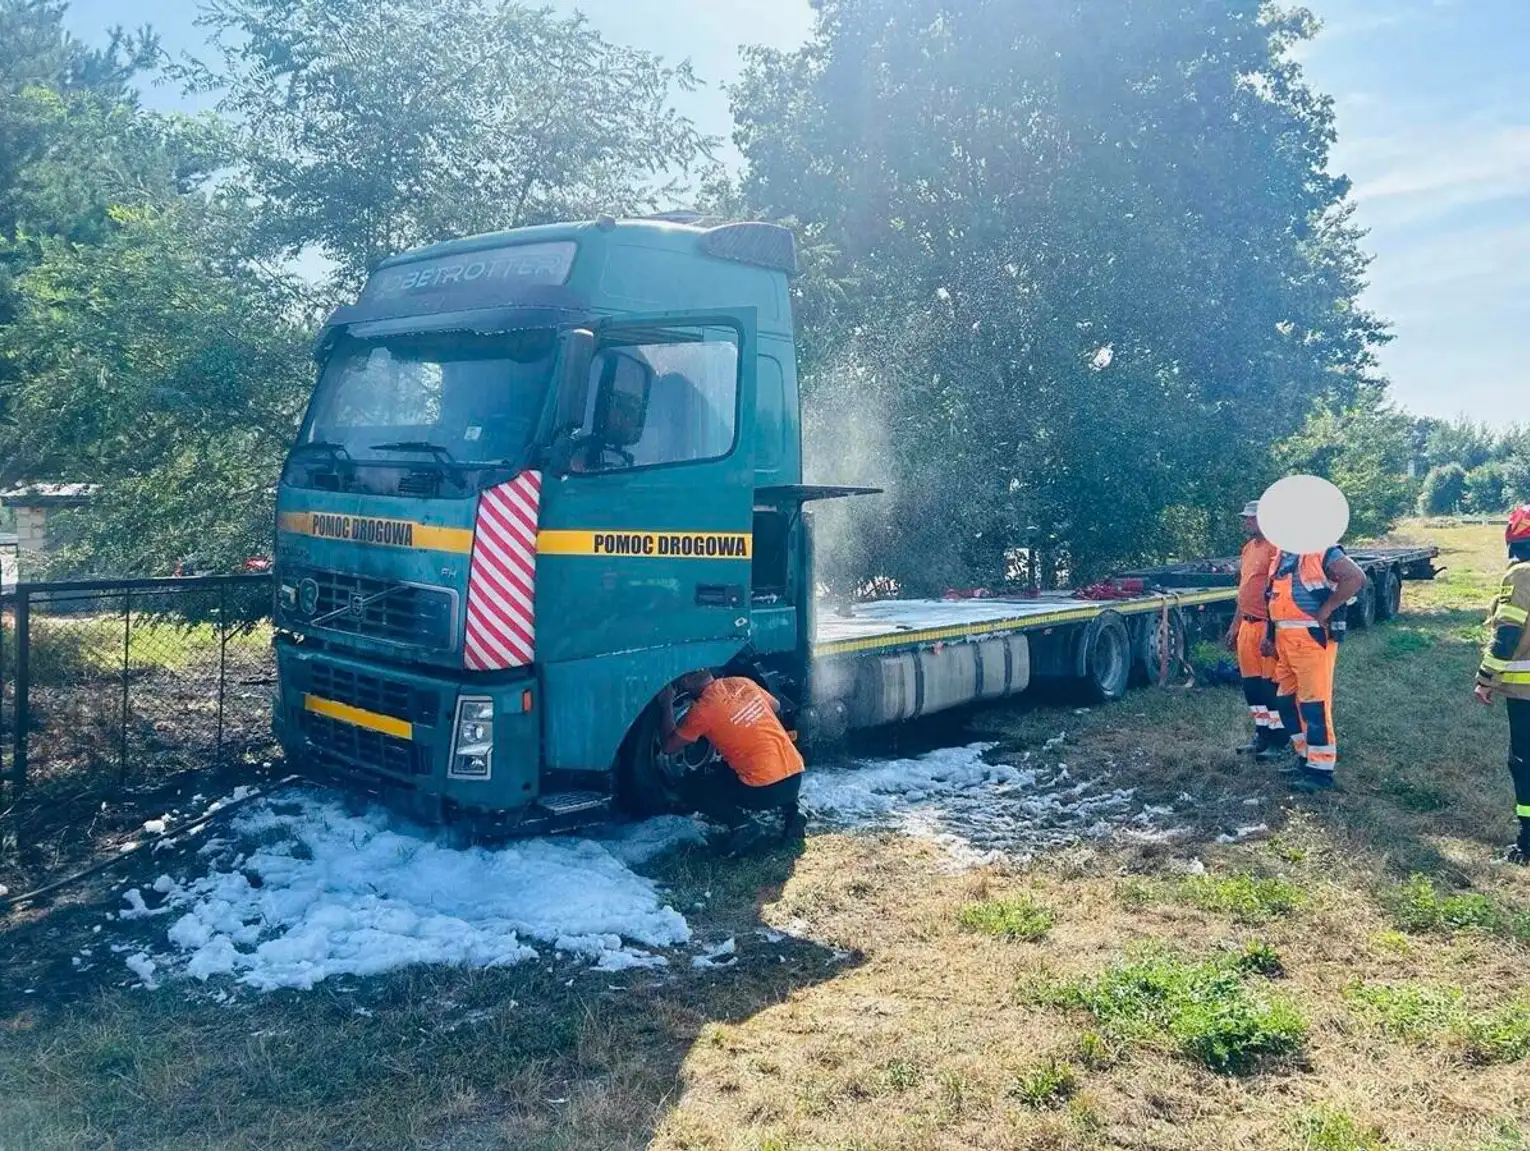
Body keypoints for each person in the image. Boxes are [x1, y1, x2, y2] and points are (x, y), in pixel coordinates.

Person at [1263, 541, 1368, 791]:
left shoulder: (1324, 551)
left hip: (1311, 638)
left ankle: (1320, 772)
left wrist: (1327, 609)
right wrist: (1270, 635)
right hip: (1285, 639)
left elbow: (1355, 577)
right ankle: (1305, 758)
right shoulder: (1282, 555)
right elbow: (1274, 597)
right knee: (1286, 702)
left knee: (1314, 705)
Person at [660, 670, 807, 844]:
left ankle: (741, 825)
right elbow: (775, 706)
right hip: (795, 779)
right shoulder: (742, 682)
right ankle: (793, 813)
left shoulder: (702, 711)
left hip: (763, 792)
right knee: (733, 766)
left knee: (693, 786)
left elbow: (668, 747)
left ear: (686, 682)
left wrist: (666, 705)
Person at [1473, 504, 1530, 864]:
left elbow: (1508, 634)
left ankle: (1527, 845)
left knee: (1523, 761)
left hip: (1526, 693)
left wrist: (1485, 677)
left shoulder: (1522, 575)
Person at [1223, 500, 1288, 759]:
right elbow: (1245, 589)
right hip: (1247, 625)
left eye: (1252, 518)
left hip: (1266, 626)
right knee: (1251, 687)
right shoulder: (1249, 548)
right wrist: (1235, 625)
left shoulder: (1278, 548)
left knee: (1269, 687)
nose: (1247, 522)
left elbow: (1278, 590)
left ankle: (1278, 740)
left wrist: (1271, 631)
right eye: (1246, 518)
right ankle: (1261, 734)